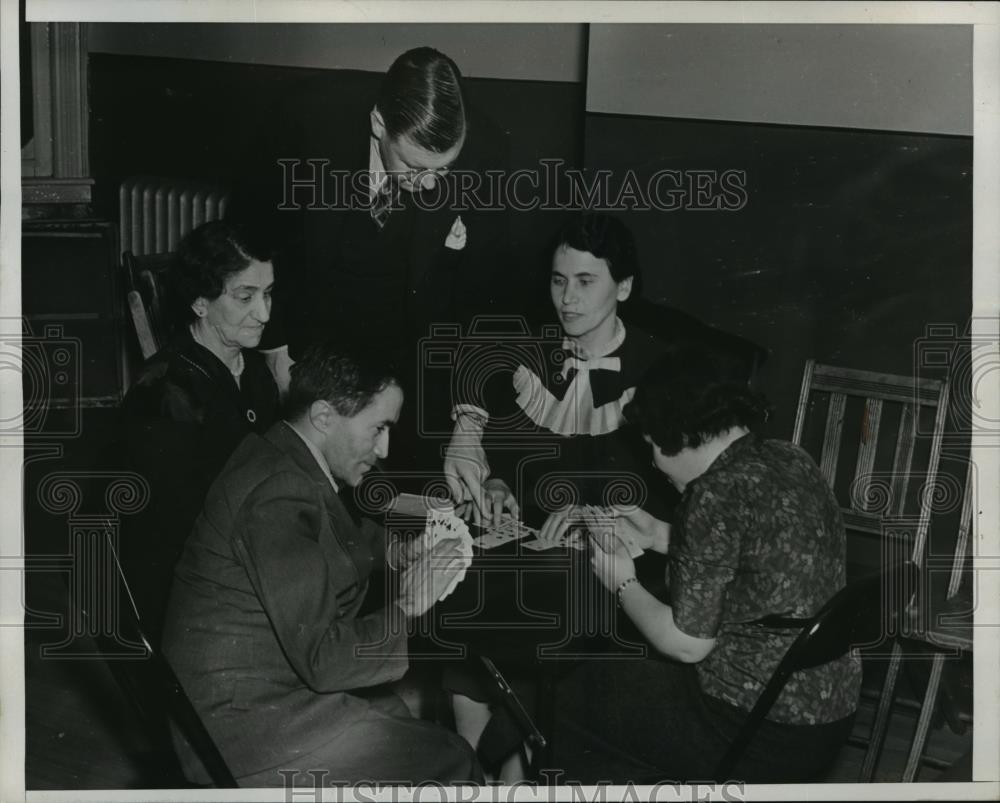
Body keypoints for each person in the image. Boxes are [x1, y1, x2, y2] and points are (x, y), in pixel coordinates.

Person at [161, 344, 482, 787]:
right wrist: (409, 603)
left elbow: (328, 538)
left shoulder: (282, 453)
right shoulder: (280, 493)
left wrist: (396, 553)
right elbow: (326, 661)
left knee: (396, 713)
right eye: (378, 429)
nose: (384, 448)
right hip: (243, 733)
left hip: (240, 699)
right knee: (452, 758)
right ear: (325, 416)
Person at [554, 343, 861, 783]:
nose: (654, 463)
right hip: (828, 716)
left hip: (756, 730)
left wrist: (621, 582)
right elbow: (755, 553)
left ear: (676, 434)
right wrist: (660, 534)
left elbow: (686, 644)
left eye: (651, 446)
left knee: (573, 692)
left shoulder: (712, 494)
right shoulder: (789, 457)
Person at [231, 47, 510, 418]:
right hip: (308, 336)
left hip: (410, 351)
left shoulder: (483, 149)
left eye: (443, 171)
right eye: (413, 168)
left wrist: (470, 412)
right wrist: (274, 349)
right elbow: (252, 234)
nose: (428, 185)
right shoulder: (306, 119)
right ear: (379, 125)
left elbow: (481, 287)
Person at [444, 213, 669, 533]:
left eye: (585, 281)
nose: (567, 298)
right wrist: (499, 485)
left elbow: (670, 490)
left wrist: (599, 515)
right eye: (558, 280)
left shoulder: (660, 368)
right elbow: (512, 448)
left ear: (624, 287)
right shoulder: (530, 355)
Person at [119, 220, 280, 641]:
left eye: (268, 294)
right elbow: (173, 530)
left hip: (244, 556)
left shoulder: (255, 371)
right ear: (199, 303)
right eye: (245, 297)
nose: (264, 313)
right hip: (189, 592)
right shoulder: (163, 391)